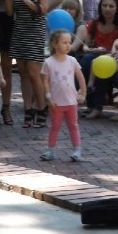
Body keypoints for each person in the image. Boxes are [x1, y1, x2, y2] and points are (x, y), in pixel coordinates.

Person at [6, 0, 50, 128]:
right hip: (20, 32)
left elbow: (43, 9)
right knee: (23, 73)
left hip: (35, 33)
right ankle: (28, 109)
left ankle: (41, 109)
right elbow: (10, 12)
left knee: (34, 73)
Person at [81, 0, 118, 120]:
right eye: (104, 6)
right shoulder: (93, 24)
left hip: (117, 59)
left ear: (117, 8)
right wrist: (88, 48)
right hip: (97, 59)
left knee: (115, 73)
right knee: (88, 61)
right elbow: (86, 46)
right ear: (100, 7)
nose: (107, 9)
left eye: (111, 6)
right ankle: (93, 106)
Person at [40, 30, 87, 162]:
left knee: (73, 126)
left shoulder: (72, 61)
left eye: (69, 43)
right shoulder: (48, 62)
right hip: (56, 102)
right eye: (64, 42)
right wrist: (48, 97)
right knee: (55, 126)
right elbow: (45, 81)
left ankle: (77, 150)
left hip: (71, 101)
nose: (68, 45)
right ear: (55, 44)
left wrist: (83, 93)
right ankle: (51, 150)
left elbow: (81, 78)